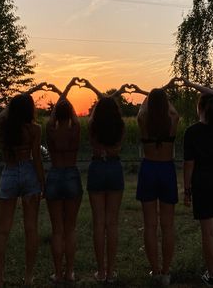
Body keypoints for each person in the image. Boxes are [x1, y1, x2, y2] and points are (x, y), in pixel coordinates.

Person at [0, 88, 45, 288]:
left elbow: (1, 115)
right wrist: (42, 182)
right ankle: (29, 277)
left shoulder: (4, 126)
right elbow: (37, 158)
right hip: (29, 172)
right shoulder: (35, 129)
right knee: (31, 229)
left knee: (3, 231)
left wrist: (15, 102)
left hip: (10, 172)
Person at [183, 78, 213, 287]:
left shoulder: (192, 132)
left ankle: (212, 276)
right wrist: (191, 84)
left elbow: (189, 165)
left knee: (208, 231)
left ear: (200, 108)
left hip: (203, 184)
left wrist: (187, 190)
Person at [134, 78, 179, 286]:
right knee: (168, 226)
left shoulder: (144, 122)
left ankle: (155, 270)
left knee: (150, 225)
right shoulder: (172, 121)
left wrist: (149, 96)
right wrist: (164, 93)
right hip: (167, 170)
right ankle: (166, 272)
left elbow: (142, 112)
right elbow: (173, 112)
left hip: (149, 169)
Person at [83, 79, 125, 283]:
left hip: (97, 168)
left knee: (98, 223)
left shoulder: (93, 125)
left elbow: (98, 112)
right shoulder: (120, 125)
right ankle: (111, 272)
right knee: (112, 222)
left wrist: (92, 88)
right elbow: (116, 148)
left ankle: (100, 272)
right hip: (115, 168)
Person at [45, 78, 83, 285]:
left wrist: (63, 93)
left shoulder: (50, 130)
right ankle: (70, 273)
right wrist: (68, 97)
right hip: (71, 175)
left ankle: (57, 274)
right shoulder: (75, 129)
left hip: (54, 175)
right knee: (70, 228)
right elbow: (75, 118)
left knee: (57, 229)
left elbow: (53, 119)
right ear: (70, 115)